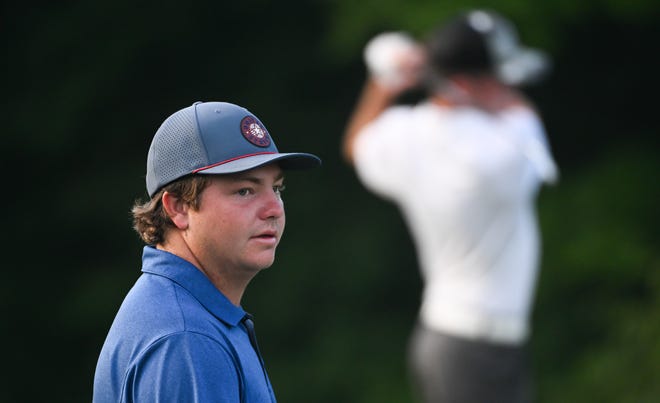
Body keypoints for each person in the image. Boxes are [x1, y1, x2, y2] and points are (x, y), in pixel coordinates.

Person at [342, 9, 558, 403]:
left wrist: (383, 84)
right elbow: (521, 112)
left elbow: (356, 144)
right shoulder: (503, 148)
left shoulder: (408, 132)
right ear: (466, 83)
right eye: (497, 77)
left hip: (450, 338)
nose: (505, 87)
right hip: (480, 346)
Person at [93, 101, 321, 403]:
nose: (274, 209)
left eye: (276, 188)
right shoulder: (187, 340)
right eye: (245, 191)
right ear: (178, 207)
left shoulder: (187, 316)